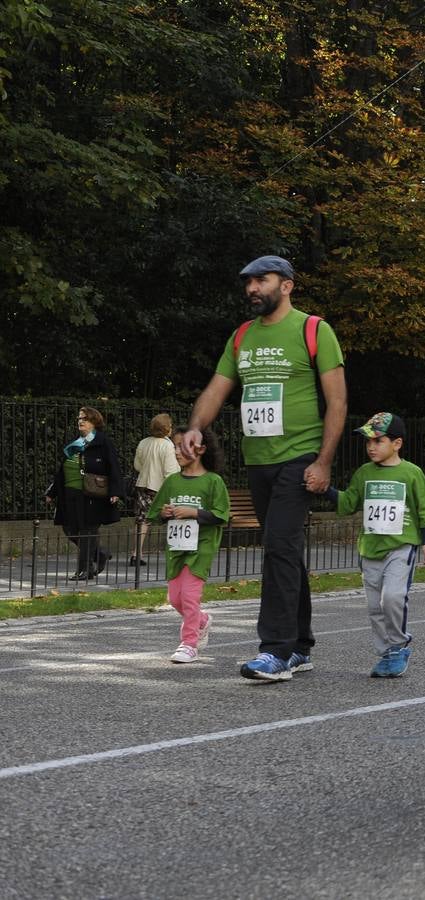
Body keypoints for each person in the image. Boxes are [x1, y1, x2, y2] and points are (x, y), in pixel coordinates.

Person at [183, 254, 348, 682]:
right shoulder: (241, 338)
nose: (253, 288)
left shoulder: (314, 330)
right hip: (259, 461)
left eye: (262, 280)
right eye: (248, 282)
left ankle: (275, 650)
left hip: (299, 458)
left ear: (287, 285)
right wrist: (196, 427)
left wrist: (324, 461)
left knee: (277, 545)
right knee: (285, 550)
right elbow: (217, 388)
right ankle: (301, 646)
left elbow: (338, 402)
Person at [326, 412, 425, 676]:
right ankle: (387, 653)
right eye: (368, 442)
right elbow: (347, 503)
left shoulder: (411, 473)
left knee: (392, 597)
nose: (371, 447)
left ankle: (399, 645)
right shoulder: (364, 473)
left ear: (397, 443)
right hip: (370, 549)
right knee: (374, 606)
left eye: (378, 441)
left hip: (401, 547)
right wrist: (325, 489)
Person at [149, 428, 229, 663]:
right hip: (176, 548)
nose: (176, 451)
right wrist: (164, 514)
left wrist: (194, 512)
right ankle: (202, 620)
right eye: (175, 446)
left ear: (201, 449)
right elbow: (155, 513)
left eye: (182, 446)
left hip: (201, 548)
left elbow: (221, 514)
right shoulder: (172, 481)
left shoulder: (213, 481)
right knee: (175, 598)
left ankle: (189, 643)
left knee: (190, 597)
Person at [46, 406, 123, 580]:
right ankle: (100, 554)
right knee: (69, 528)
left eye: (85, 419)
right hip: (69, 493)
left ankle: (85, 569)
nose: (80, 421)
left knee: (87, 530)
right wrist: (52, 491)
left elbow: (114, 468)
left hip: (91, 495)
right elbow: (62, 471)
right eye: (79, 418)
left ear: (94, 422)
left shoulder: (103, 442)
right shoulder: (75, 444)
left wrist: (115, 491)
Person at [130, 413, 179, 566]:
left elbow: (137, 466)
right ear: (166, 428)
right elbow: (171, 472)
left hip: (143, 485)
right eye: (170, 425)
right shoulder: (168, 445)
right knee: (174, 517)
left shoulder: (143, 442)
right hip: (162, 487)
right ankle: (178, 551)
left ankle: (136, 553)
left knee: (142, 520)